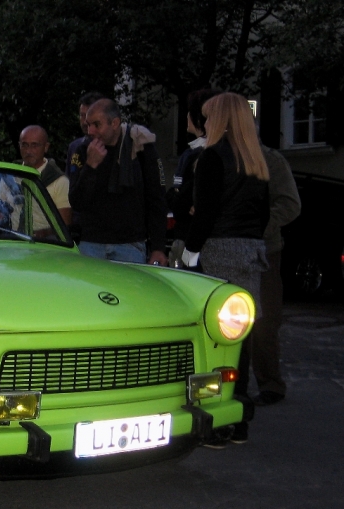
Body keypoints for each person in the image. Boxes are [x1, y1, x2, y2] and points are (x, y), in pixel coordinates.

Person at [181, 92, 271, 446]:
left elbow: (204, 213)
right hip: (250, 251)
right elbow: (263, 215)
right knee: (240, 338)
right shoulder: (255, 159)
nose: (204, 123)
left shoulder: (213, 157)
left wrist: (190, 253)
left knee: (213, 337)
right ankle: (239, 416)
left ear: (218, 119)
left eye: (207, 117)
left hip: (218, 249)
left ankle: (217, 422)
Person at [68, 98, 168, 264]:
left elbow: (157, 198)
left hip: (129, 244)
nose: (91, 131)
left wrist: (158, 248)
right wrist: (90, 166)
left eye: (96, 124)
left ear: (114, 123)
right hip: (91, 243)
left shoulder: (139, 147)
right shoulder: (83, 150)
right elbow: (76, 202)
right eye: (88, 125)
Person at [251, 145, 301, 406]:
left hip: (265, 251)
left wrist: (260, 225)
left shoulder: (270, 160)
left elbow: (290, 204)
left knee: (265, 321)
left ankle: (271, 383)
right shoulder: (218, 154)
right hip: (226, 248)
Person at [166, 89, 222, 267]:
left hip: (195, 244)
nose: (186, 116)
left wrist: (179, 199)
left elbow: (187, 199)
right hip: (184, 237)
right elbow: (176, 198)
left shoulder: (208, 155)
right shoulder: (189, 153)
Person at [18, 125, 72, 231]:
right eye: (24, 145)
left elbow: (65, 224)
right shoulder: (10, 176)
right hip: (10, 240)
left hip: (43, 243)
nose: (28, 151)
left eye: (34, 145)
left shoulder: (60, 182)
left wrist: (44, 234)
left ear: (46, 147)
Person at [66, 92, 104, 242]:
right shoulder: (75, 147)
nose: (84, 121)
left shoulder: (113, 148)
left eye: (88, 116)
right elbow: (71, 187)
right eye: (81, 115)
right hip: (80, 228)